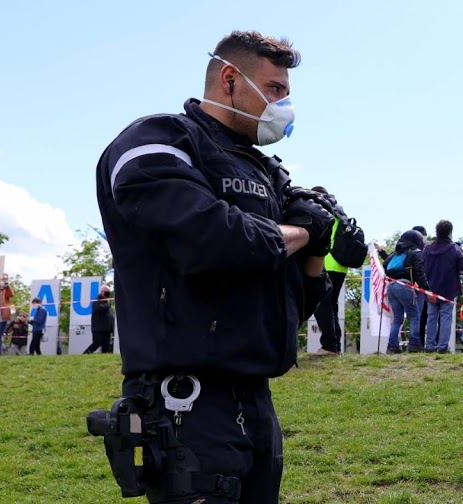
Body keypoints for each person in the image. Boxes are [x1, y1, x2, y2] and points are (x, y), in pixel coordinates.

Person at [94, 31, 334, 503]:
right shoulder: (158, 140)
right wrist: (302, 232)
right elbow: (211, 239)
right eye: (275, 89)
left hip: (257, 402)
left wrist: (314, 247)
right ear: (230, 79)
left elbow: (288, 305)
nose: (283, 103)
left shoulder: (265, 171)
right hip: (185, 405)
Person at [308, 186, 347, 357]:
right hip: (341, 266)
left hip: (325, 262)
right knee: (331, 306)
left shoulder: (321, 209)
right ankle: (335, 345)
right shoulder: (340, 213)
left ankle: (330, 346)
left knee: (321, 306)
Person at [423, 220, 463, 353]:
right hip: (449, 289)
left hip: (431, 289)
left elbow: (421, 268)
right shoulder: (454, 248)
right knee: (446, 318)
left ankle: (429, 346)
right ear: (450, 232)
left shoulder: (427, 249)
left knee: (431, 318)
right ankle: (442, 346)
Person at [384, 230, 431, 353]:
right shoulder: (416, 253)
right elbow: (419, 273)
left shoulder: (394, 255)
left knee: (398, 319)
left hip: (391, 287)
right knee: (414, 316)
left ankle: (392, 346)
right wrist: (427, 289)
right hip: (404, 286)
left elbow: (385, 264)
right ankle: (414, 344)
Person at [84, 285, 115, 354]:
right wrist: (108, 303)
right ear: (102, 292)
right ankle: (85, 354)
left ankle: (104, 360)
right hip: (99, 329)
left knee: (106, 347)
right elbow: (101, 309)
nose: (108, 294)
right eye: (106, 292)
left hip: (107, 329)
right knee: (96, 344)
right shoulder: (96, 301)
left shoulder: (107, 303)